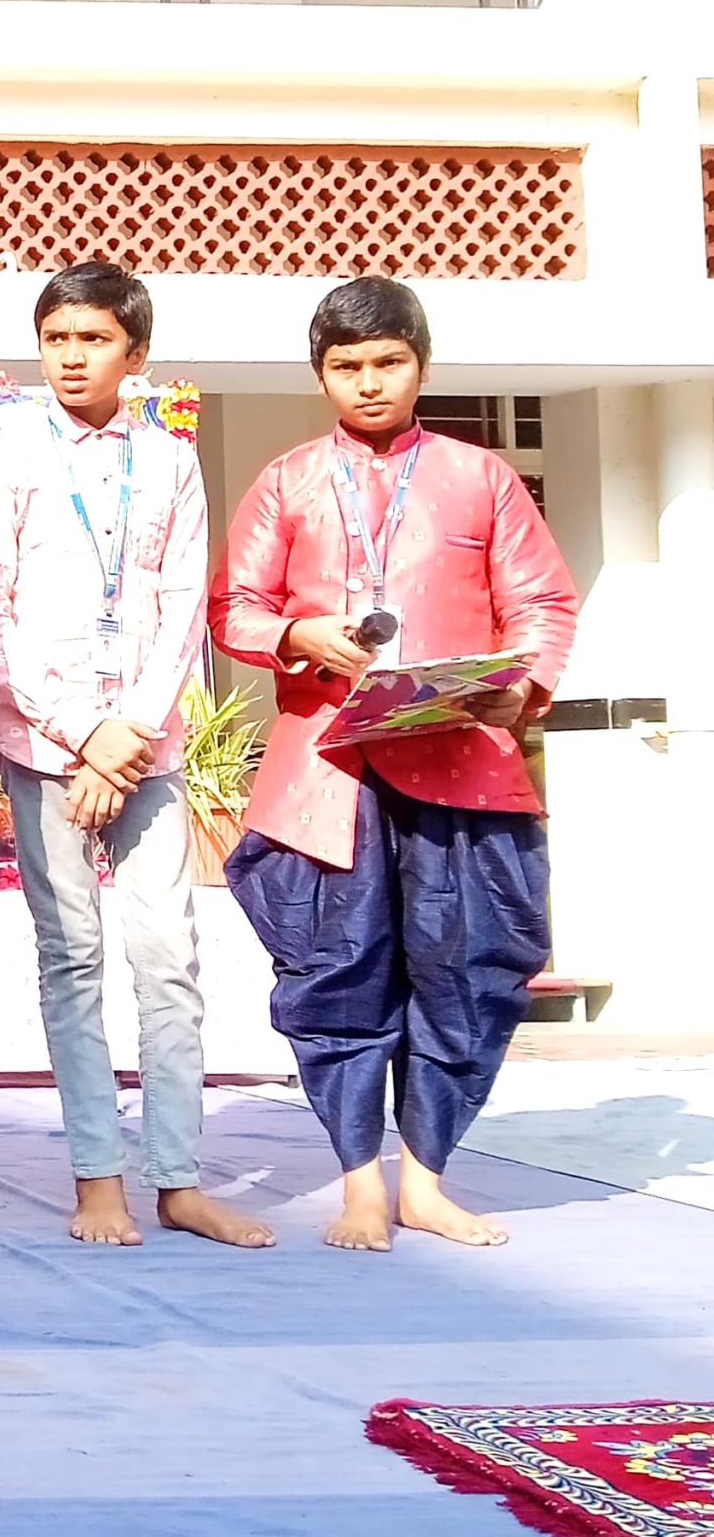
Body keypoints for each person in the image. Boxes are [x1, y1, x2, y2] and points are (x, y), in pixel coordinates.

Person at [212, 280, 578, 1253]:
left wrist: (523, 687)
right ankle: (356, 1183)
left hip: (458, 760)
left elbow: (541, 603)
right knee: (336, 971)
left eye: (387, 362)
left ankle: (424, 1179)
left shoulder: (481, 477)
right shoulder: (286, 481)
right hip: (325, 771)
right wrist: (300, 631)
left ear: (421, 364)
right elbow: (232, 609)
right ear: (319, 374)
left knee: (467, 970)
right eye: (346, 366)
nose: (368, 383)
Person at [0, 263, 272, 1252]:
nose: (71, 356)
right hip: (43, 743)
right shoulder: (5, 451)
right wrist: (74, 735)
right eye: (56, 337)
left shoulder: (169, 460)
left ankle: (177, 1179)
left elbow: (184, 606)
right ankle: (98, 1177)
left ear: (133, 354)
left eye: (92, 339)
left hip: (147, 749)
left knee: (167, 960)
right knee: (72, 960)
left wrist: (126, 735)